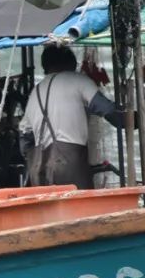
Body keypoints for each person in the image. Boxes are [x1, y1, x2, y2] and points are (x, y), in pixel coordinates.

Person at [19, 45, 124, 189]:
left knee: (48, 209)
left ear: (45, 66)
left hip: (39, 170)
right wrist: (134, 120)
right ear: (72, 63)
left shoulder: (36, 90)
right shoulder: (79, 80)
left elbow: (25, 139)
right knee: (81, 206)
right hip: (70, 167)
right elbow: (107, 110)